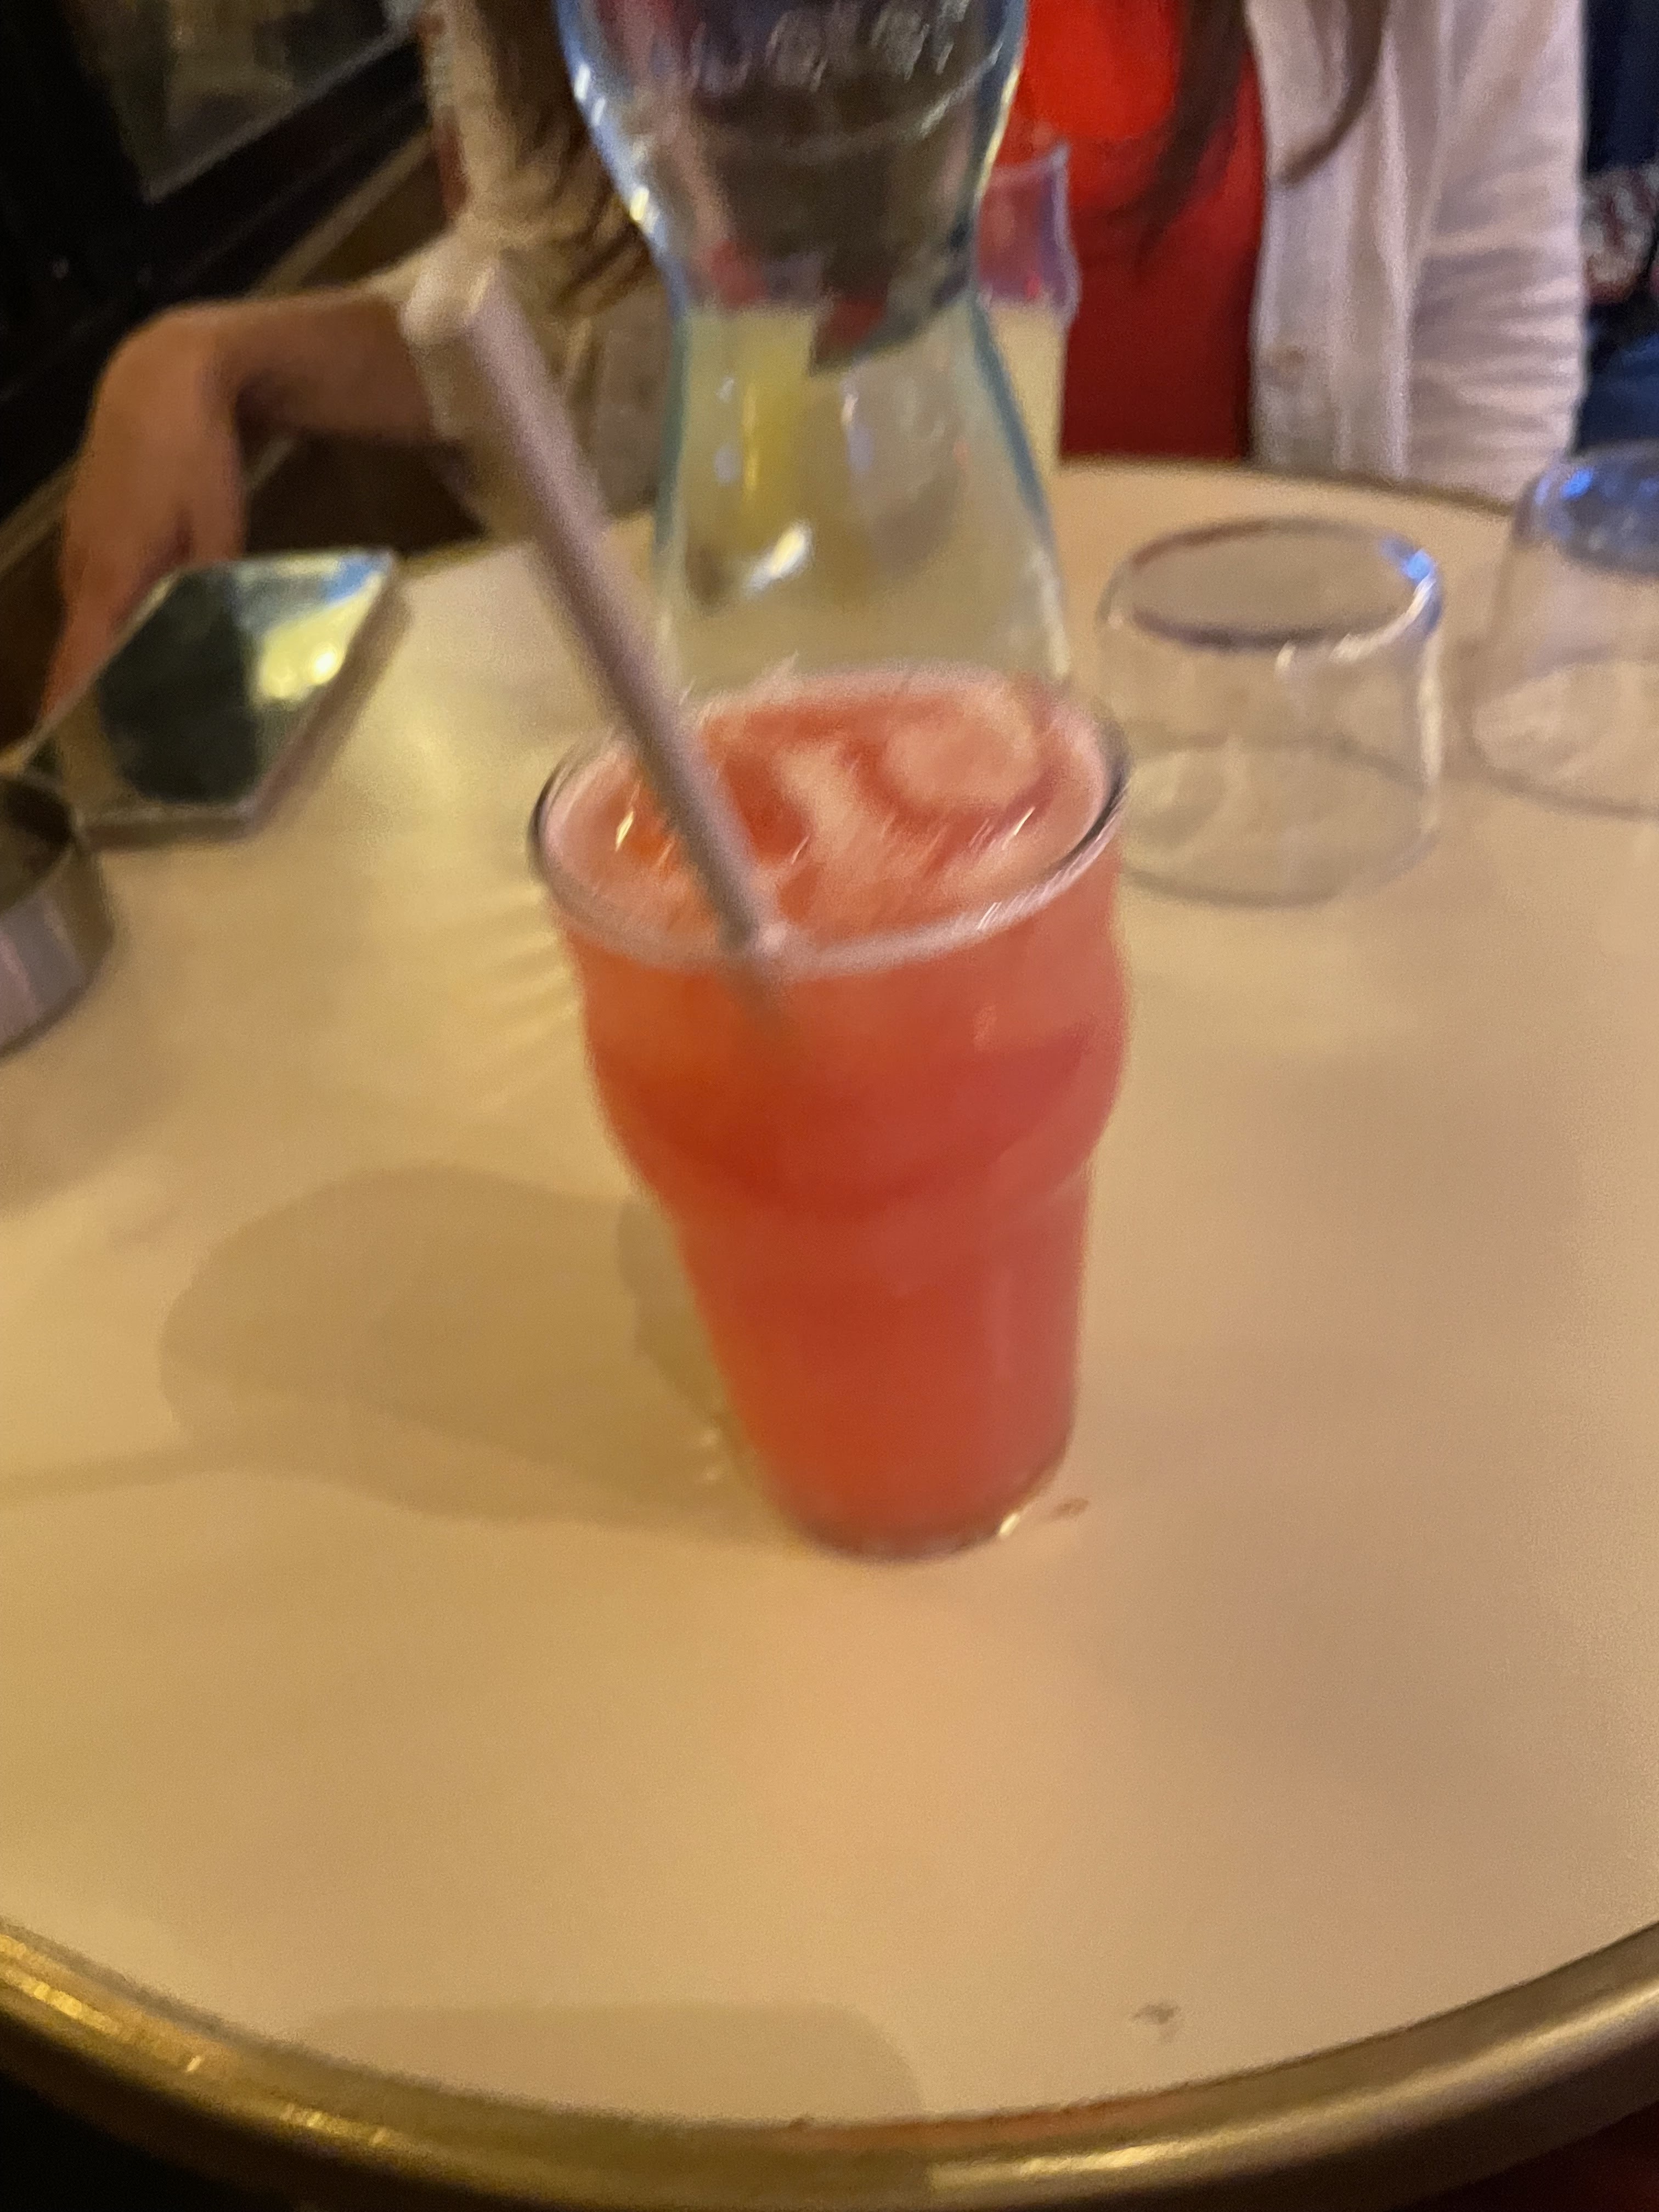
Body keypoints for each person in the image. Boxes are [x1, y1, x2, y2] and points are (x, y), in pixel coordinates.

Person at [44, 0, 1584, 716]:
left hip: (1264, 737)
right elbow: (582, 317)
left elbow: (1484, 354)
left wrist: (1414, 738)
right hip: (815, 703)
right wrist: (213, 355)